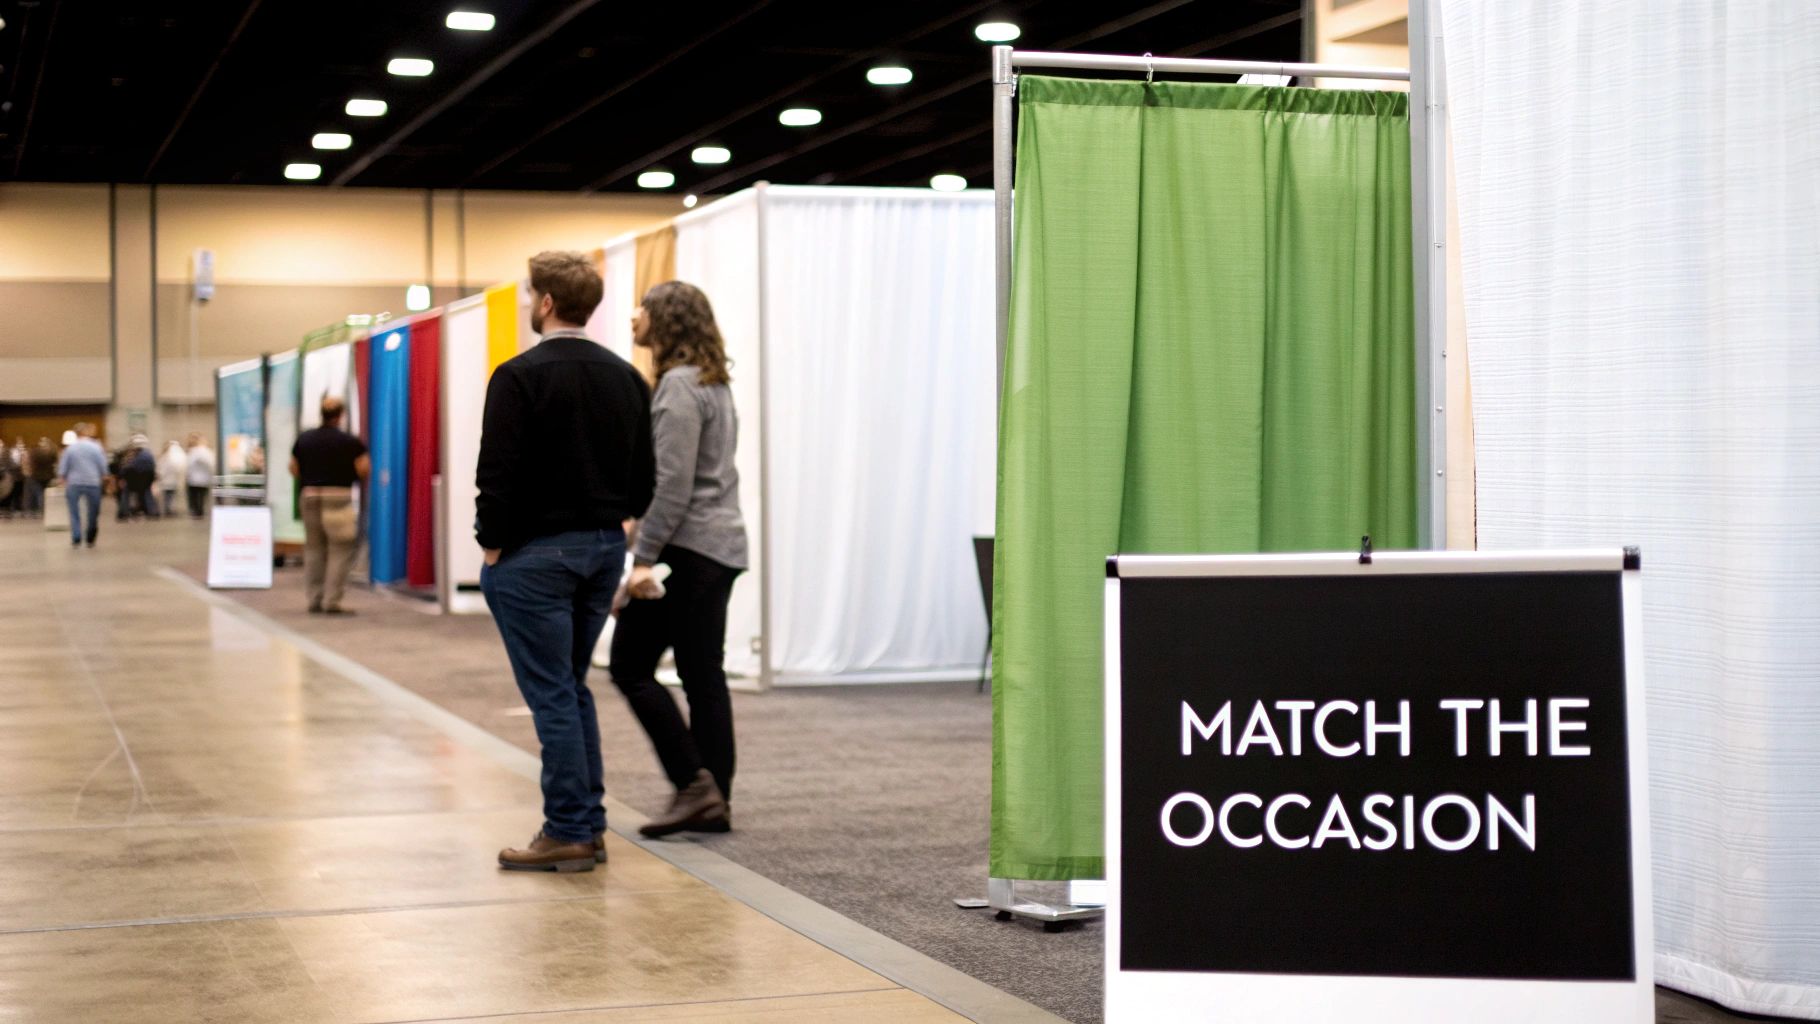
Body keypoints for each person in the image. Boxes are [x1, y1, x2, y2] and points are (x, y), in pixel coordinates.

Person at [477, 250, 654, 872]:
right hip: (602, 549)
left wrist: (491, 545)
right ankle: (588, 824)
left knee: (553, 693)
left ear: (547, 302)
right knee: (569, 688)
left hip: (534, 555)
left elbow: (496, 472)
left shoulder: (518, 375)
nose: (531, 303)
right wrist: (620, 522)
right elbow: (645, 477)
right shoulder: (626, 377)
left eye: (532, 295)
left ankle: (569, 829)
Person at [609, 281, 750, 838]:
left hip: (691, 549)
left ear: (665, 320)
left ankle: (694, 786)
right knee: (701, 673)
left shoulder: (678, 387)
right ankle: (715, 800)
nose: (633, 316)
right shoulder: (711, 382)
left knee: (630, 665)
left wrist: (641, 560)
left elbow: (672, 486)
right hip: (719, 546)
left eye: (642, 307)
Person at [291, 397, 369, 614]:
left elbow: (293, 468)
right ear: (340, 416)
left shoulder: (304, 439)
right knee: (340, 549)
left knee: (314, 549)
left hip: (310, 497)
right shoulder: (350, 442)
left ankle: (314, 598)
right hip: (338, 497)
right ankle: (331, 601)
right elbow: (364, 468)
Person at [58, 423, 108, 547]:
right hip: (93, 482)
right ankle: (90, 535)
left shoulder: (70, 448)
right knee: (93, 511)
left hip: (74, 483)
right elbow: (102, 464)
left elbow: (63, 466)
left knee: (74, 511)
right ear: (86, 432)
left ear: (76, 434)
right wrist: (104, 474)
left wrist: (62, 477)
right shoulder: (96, 447)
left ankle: (76, 536)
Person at [119, 435, 160, 519]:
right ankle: (152, 511)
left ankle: (124, 511)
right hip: (146, 481)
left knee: (125, 492)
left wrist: (122, 472)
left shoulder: (139, 456)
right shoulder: (149, 454)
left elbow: (129, 468)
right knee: (148, 494)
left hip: (137, 481)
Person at [185, 435, 215, 519]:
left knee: (195, 496)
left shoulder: (195, 451)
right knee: (201, 496)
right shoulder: (208, 452)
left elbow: (189, 464)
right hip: (203, 479)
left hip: (194, 479)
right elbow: (211, 464)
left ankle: (197, 511)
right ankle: (199, 511)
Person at [25, 437, 55, 518]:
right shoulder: (51, 453)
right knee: (43, 494)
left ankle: (40, 511)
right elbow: (53, 464)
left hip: (36, 476)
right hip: (48, 477)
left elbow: (30, 463)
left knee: (39, 494)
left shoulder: (34, 452)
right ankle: (44, 511)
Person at [158, 440, 186, 517]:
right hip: (170, 481)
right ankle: (168, 510)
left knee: (168, 497)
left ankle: (168, 510)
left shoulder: (165, 457)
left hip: (168, 481)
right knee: (169, 497)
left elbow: (161, 470)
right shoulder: (168, 457)